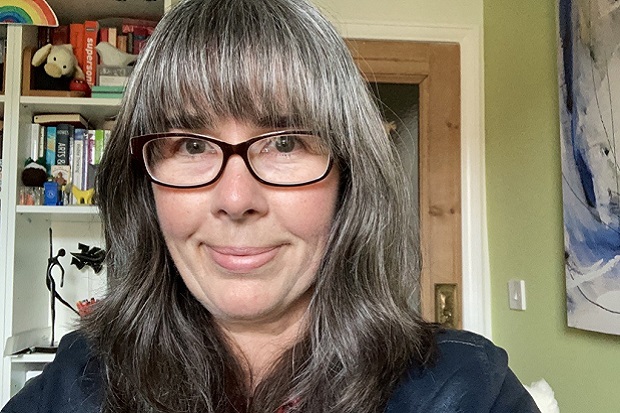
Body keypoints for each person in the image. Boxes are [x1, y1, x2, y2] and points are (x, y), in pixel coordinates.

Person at [2, 0, 541, 412]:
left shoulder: (469, 391)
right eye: (191, 144)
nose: (236, 200)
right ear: (144, 187)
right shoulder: (73, 386)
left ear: (348, 178)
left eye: (285, 142)